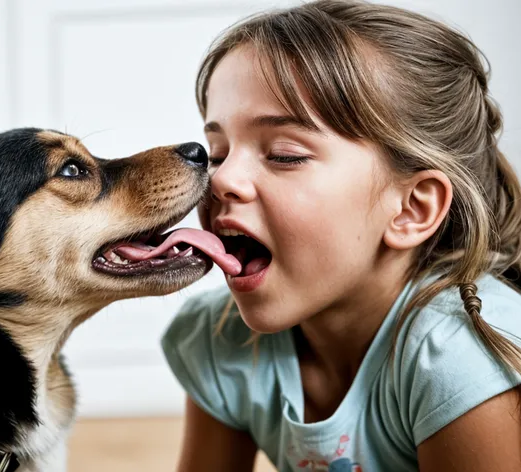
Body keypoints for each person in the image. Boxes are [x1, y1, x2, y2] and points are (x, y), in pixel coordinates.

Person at [161, 1, 521, 470]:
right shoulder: (218, 338)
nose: (223, 178)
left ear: (411, 209)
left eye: (284, 154)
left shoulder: (465, 360)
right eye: (217, 152)